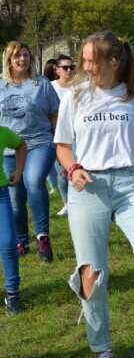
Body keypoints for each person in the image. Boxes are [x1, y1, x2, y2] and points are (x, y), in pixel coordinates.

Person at [55, 31, 134, 357]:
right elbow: (63, 147)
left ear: (114, 62)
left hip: (131, 184)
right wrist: (72, 169)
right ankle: (101, 348)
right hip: (89, 189)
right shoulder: (75, 96)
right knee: (91, 273)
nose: (85, 66)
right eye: (84, 60)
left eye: (92, 60)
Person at [0, 42, 59, 261]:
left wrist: (60, 143)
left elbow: (55, 114)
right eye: (17, 56)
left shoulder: (41, 83)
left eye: (25, 55)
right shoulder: (0, 85)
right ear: (9, 59)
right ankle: (21, 240)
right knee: (15, 195)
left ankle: (42, 236)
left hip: (39, 142)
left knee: (34, 181)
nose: (22, 60)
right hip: (9, 149)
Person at [0, 128, 26, 315]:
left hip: (0, 194)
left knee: (8, 242)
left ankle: (12, 292)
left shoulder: (2, 132)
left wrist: (18, 170)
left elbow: (21, 145)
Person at [50, 54, 77, 217]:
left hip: (78, 137)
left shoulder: (79, 88)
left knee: (78, 169)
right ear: (57, 70)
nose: (69, 70)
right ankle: (66, 203)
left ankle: (78, 202)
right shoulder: (50, 87)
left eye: (71, 67)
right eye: (65, 68)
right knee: (63, 172)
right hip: (58, 136)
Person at [44, 59, 61, 196]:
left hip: (61, 125)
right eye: (55, 69)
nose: (58, 71)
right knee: (51, 159)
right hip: (49, 126)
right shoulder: (46, 85)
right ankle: (53, 184)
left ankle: (61, 183)